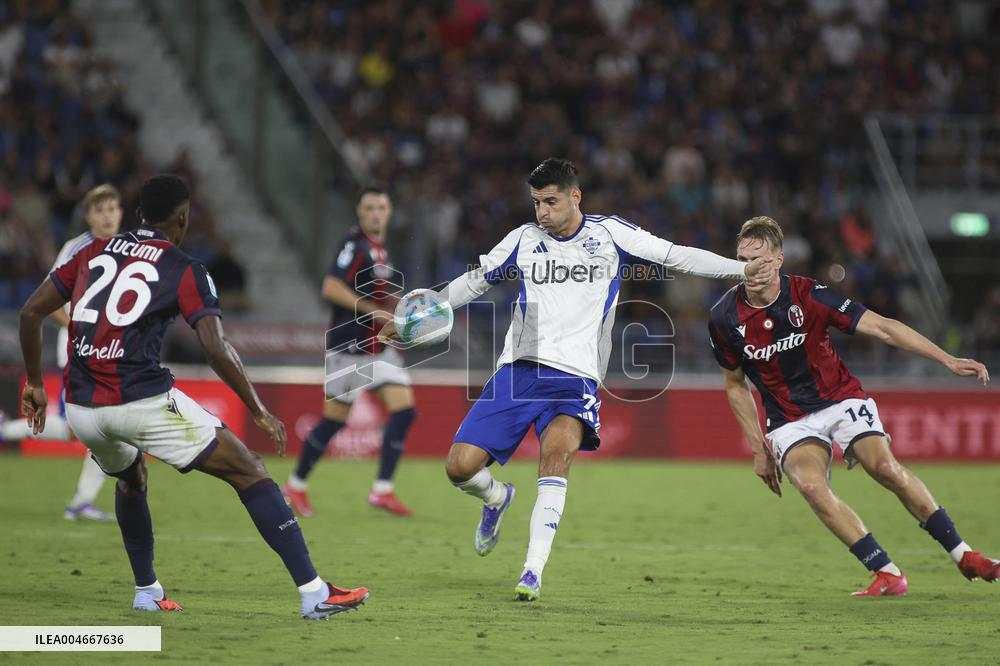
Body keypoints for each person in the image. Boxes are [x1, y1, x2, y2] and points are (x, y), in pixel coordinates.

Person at [378, 158, 773, 600]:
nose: (542, 212)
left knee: (555, 462)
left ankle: (532, 571)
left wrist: (741, 270)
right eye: (536, 203)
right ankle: (496, 498)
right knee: (458, 468)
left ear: (575, 196)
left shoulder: (611, 234)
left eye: (550, 201)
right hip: (518, 372)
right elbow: (474, 283)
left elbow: (676, 255)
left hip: (576, 379)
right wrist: (419, 313)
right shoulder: (523, 240)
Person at [18, 175, 368, 619]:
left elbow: (31, 312)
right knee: (250, 470)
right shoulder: (183, 266)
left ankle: (147, 591)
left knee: (131, 478)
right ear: (182, 219)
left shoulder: (91, 251)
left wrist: (33, 382)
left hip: (83, 407)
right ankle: (314, 593)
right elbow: (216, 347)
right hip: (140, 401)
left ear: (139, 213)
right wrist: (257, 409)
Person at [708, 215, 999, 597]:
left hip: (840, 399)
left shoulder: (810, 295)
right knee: (811, 486)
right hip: (788, 419)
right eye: (743, 259)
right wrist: (757, 446)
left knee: (885, 468)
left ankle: (964, 555)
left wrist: (946, 360)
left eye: (760, 260)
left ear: (779, 260)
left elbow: (882, 327)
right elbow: (734, 384)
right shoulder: (724, 317)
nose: (751, 269)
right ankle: (887, 573)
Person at [283, 186, 417, 517]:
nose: (375, 213)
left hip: (377, 349)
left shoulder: (381, 251)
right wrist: (372, 310)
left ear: (389, 212)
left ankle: (382, 491)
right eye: (369, 207)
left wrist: (403, 309)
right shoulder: (353, 245)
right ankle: (295, 486)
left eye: (381, 207)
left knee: (404, 410)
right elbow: (330, 286)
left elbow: (381, 297)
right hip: (349, 345)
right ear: (360, 212)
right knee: (334, 421)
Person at [1, 183, 122, 521]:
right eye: (100, 210)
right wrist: (77, 328)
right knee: (82, 428)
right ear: (88, 216)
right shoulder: (76, 247)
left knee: (98, 428)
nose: (107, 216)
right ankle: (81, 501)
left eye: (112, 209)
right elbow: (47, 299)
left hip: (110, 351)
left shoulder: (128, 248)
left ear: (120, 213)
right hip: (80, 349)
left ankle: (81, 502)